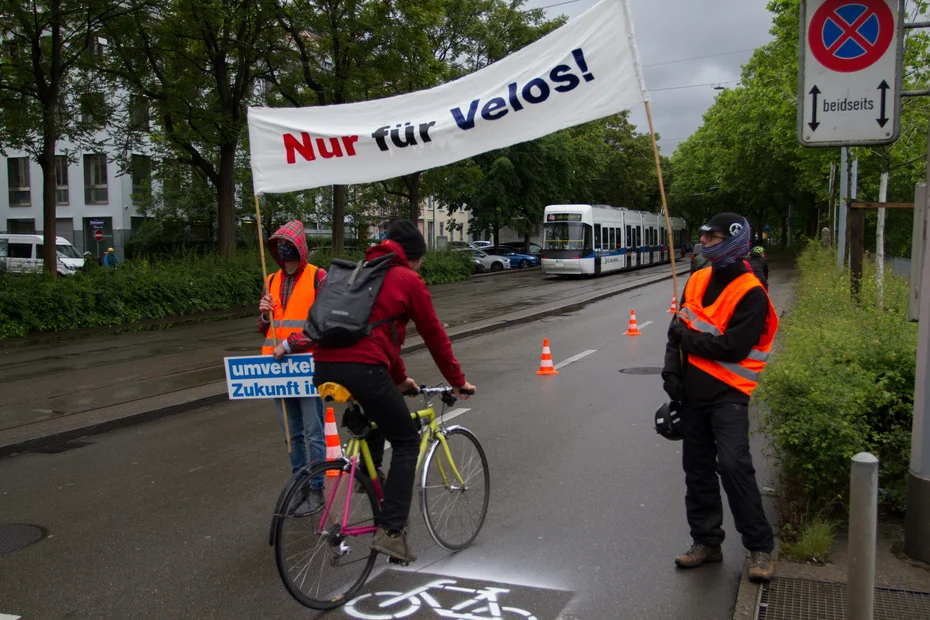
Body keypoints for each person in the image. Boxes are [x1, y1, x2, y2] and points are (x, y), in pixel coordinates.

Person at [311, 220, 476, 563]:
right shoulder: (406, 278)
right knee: (406, 441)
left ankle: (369, 479)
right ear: (414, 258)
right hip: (365, 369)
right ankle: (391, 533)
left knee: (377, 414)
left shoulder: (363, 271)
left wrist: (401, 380)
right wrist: (458, 381)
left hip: (325, 364)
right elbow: (434, 335)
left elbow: (378, 336)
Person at [661, 212, 779, 583]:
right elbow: (675, 332)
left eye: (711, 238)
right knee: (696, 471)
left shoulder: (751, 291)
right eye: (703, 238)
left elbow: (732, 347)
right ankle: (706, 543)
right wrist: (672, 374)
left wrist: (687, 341)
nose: (704, 244)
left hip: (729, 395)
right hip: (693, 396)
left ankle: (760, 548)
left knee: (733, 465)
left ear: (733, 240)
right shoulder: (695, 279)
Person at [258, 220, 328, 517]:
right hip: (278, 371)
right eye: (277, 244)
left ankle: (317, 489)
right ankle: (301, 484)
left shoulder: (318, 277)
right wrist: (263, 315)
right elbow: (265, 329)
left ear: (301, 247)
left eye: (287, 244)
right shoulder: (271, 279)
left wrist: (289, 345)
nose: (282, 249)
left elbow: (322, 324)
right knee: (292, 433)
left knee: (313, 432)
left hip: (308, 366)